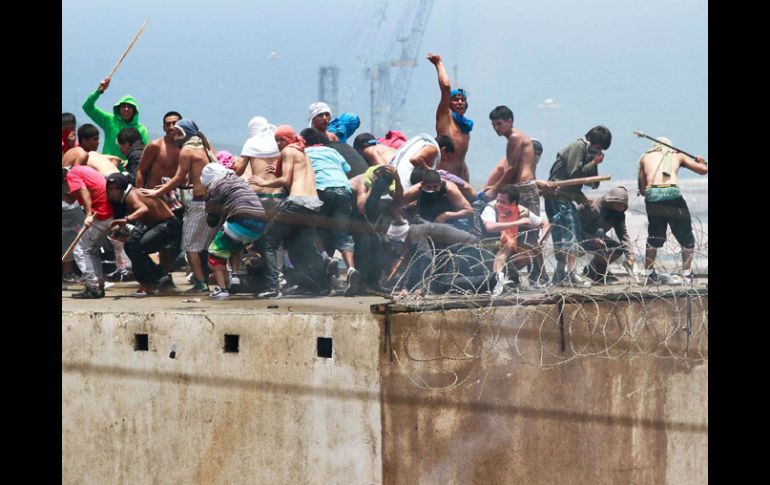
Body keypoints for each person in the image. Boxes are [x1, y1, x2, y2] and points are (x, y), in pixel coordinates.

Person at [250, 125, 330, 297]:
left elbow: (285, 180)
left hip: (297, 202)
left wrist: (262, 182)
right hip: (313, 204)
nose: (279, 144)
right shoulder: (302, 152)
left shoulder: (287, 151)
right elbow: (296, 176)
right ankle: (321, 285)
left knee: (268, 240)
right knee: (301, 246)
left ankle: (273, 286)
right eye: (277, 140)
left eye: (282, 139)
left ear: (289, 139)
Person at [140, 119, 218, 293]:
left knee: (190, 246)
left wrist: (156, 193)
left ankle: (200, 283)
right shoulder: (206, 148)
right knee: (206, 245)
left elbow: (178, 178)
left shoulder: (187, 150)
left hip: (198, 204)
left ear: (184, 133)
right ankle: (219, 282)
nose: (174, 137)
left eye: (177, 133)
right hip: (213, 202)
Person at [544, 125, 612, 287]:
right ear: (591, 141)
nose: (598, 151)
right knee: (569, 234)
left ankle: (561, 275)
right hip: (558, 196)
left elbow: (593, 183)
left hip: (565, 196)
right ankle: (570, 274)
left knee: (566, 234)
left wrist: (594, 164)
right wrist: (593, 162)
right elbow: (575, 174)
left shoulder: (586, 153)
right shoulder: (578, 147)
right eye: (597, 147)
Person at [638, 136, 708, 285]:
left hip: (652, 196)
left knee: (654, 238)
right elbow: (703, 170)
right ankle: (687, 276)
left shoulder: (645, 157)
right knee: (686, 237)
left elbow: (643, 190)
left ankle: (648, 275)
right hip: (672, 195)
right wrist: (701, 162)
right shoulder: (677, 154)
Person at [301, 128, 361, 295]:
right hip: (343, 189)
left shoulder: (305, 152)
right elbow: (347, 169)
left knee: (311, 228)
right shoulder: (332, 151)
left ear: (305, 141)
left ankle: (325, 258)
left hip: (322, 189)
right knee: (343, 234)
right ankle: (350, 269)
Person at [105, 173, 181, 296]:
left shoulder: (131, 194)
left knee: (136, 248)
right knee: (130, 245)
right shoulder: (123, 198)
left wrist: (126, 220)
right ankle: (161, 279)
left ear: (123, 187)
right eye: (110, 189)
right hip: (155, 225)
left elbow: (143, 209)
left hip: (167, 225)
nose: (112, 192)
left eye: (116, 188)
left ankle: (149, 284)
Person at [200, 163, 267, 300]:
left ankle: (222, 290)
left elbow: (212, 221)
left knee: (214, 253)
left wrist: (207, 200)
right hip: (260, 222)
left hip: (240, 219)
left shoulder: (215, 188)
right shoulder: (238, 180)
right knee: (234, 244)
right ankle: (234, 276)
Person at [480, 184, 547, 296]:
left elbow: (545, 223)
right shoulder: (490, 208)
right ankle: (497, 280)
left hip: (508, 252)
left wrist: (543, 239)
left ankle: (524, 279)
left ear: (513, 203)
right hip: (488, 249)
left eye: (503, 202)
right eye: (498, 200)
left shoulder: (521, 210)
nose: (499, 204)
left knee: (533, 249)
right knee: (509, 243)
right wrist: (518, 222)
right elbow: (490, 227)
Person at [62, 166, 114, 298]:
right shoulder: (79, 172)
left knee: (81, 249)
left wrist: (88, 214)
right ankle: (97, 285)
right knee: (91, 250)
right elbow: (71, 199)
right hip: (106, 210)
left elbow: (84, 191)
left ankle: (92, 286)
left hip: (100, 212)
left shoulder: (72, 175)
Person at [576, 186, 638, 284]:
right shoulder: (591, 206)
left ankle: (596, 272)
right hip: (578, 239)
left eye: (622, 205)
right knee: (600, 232)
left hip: (598, 241)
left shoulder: (618, 215)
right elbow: (574, 226)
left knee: (616, 249)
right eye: (618, 204)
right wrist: (591, 239)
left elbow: (623, 235)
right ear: (609, 201)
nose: (620, 208)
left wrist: (630, 256)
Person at [427, 53, 472, 181]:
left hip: (460, 179)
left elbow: (461, 160)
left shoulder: (465, 126)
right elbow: (446, 87)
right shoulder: (445, 118)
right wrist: (438, 63)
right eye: (455, 100)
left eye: (462, 100)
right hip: (443, 180)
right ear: (449, 103)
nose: (459, 102)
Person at [81, 77, 149, 161]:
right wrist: (99, 91)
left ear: (135, 110)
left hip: (130, 170)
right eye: (123, 106)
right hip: (107, 168)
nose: (126, 109)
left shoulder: (141, 130)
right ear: (118, 109)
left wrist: (128, 163)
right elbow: (87, 107)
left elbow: (144, 152)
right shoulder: (109, 120)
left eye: (130, 107)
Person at [389, 133, 455, 191]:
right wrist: (430, 171)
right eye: (448, 156)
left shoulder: (422, 144)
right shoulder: (433, 148)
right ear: (444, 150)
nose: (446, 160)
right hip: (403, 184)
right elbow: (414, 159)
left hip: (394, 182)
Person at [135, 111, 183, 189]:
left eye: (175, 123)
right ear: (164, 128)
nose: (171, 127)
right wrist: (139, 194)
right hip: (155, 196)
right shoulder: (155, 146)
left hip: (179, 196)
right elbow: (141, 171)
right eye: (168, 124)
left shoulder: (188, 147)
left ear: (182, 126)